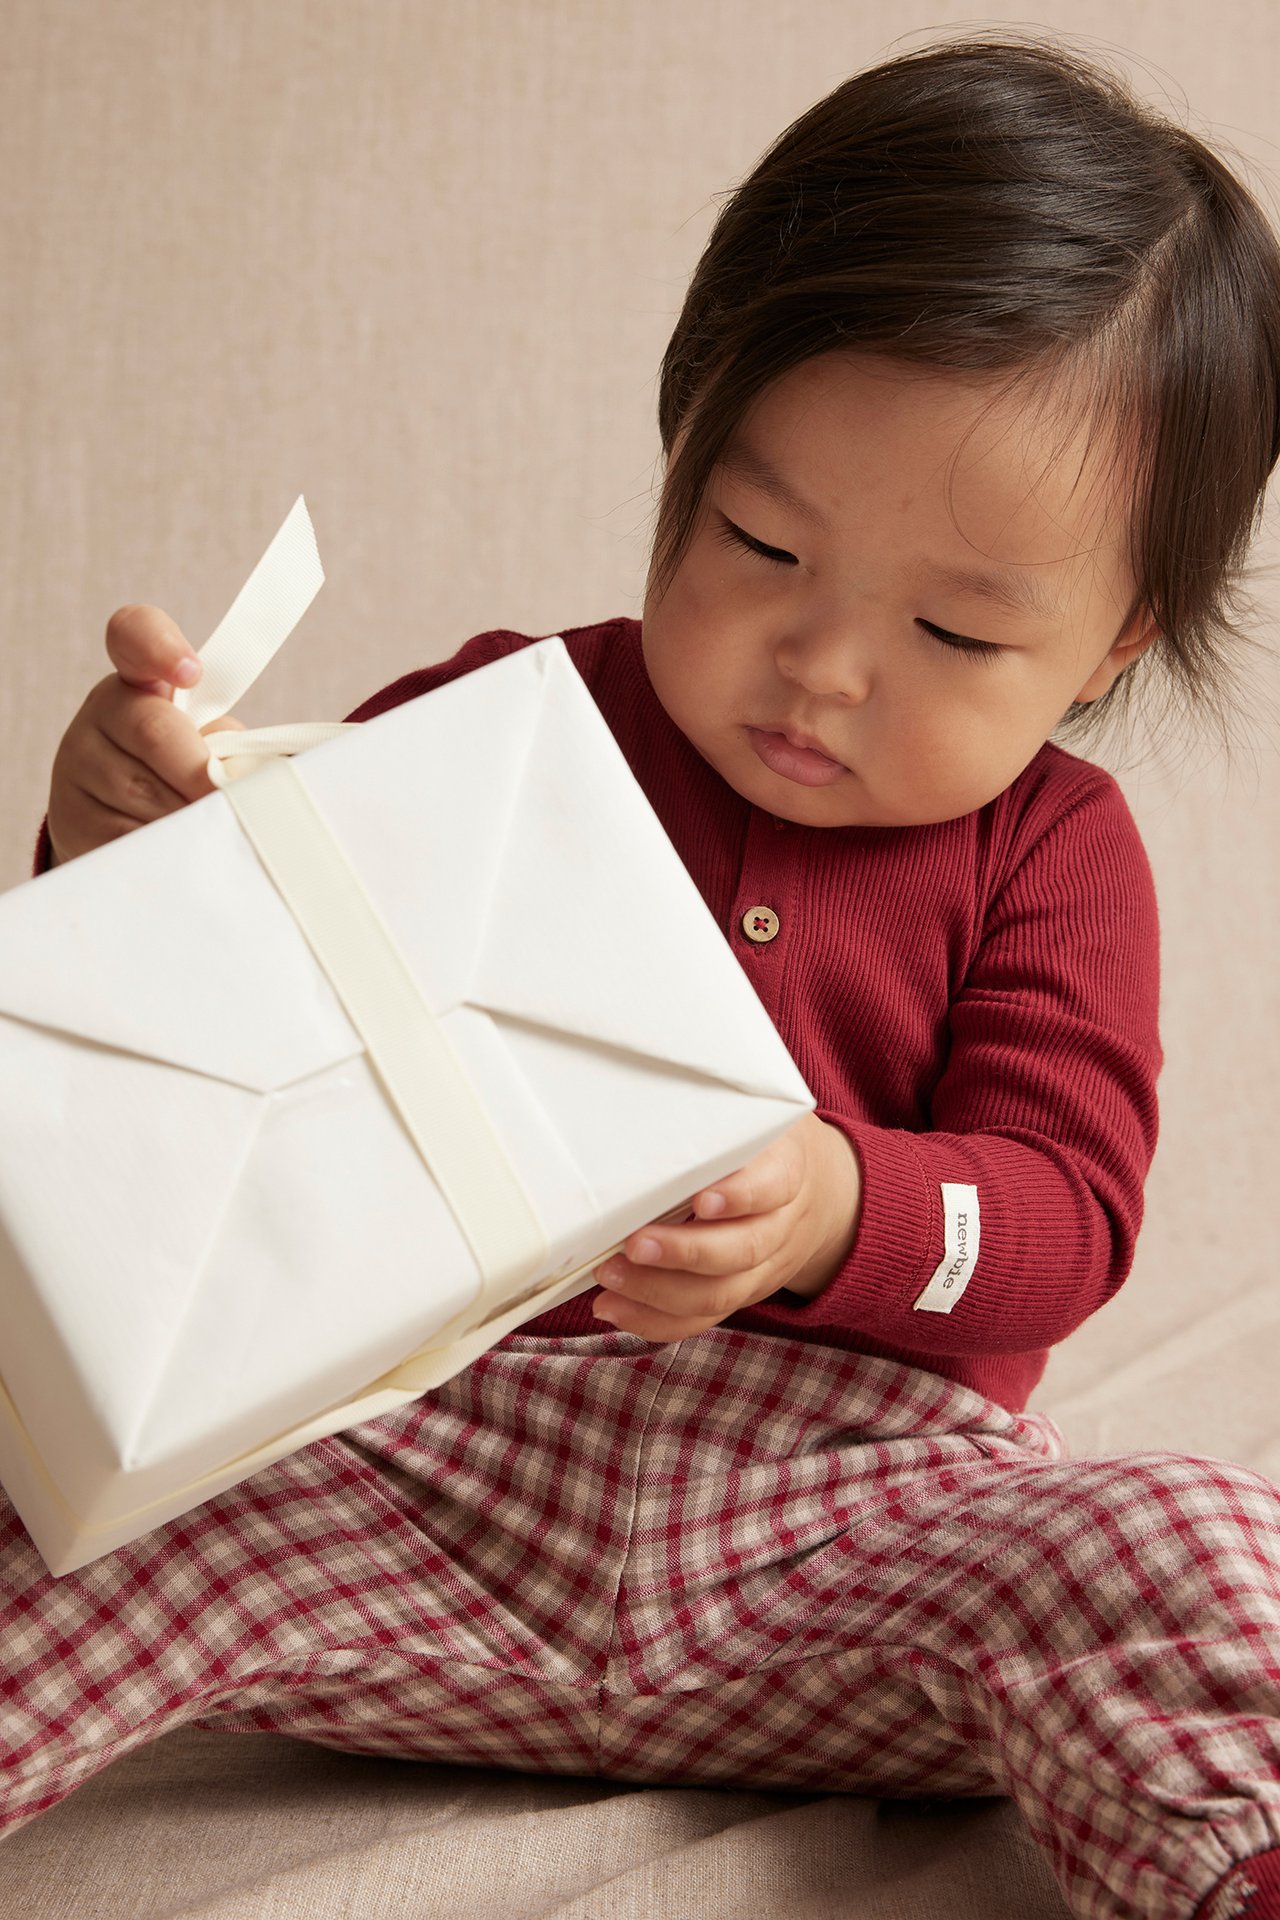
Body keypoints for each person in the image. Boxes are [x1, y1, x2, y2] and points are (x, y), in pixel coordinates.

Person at [10, 32, 1280, 1920]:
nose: (826, 667)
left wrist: (842, 1203)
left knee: (1199, 1546)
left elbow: (1068, 1215)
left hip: (861, 1534)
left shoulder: (1052, 854)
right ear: (685, 445)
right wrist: (121, 835)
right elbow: (239, 1015)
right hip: (406, 1487)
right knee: (49, 1488)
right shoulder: (503, 725)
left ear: (1110, 646)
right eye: (764, 544)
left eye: (954, 630)